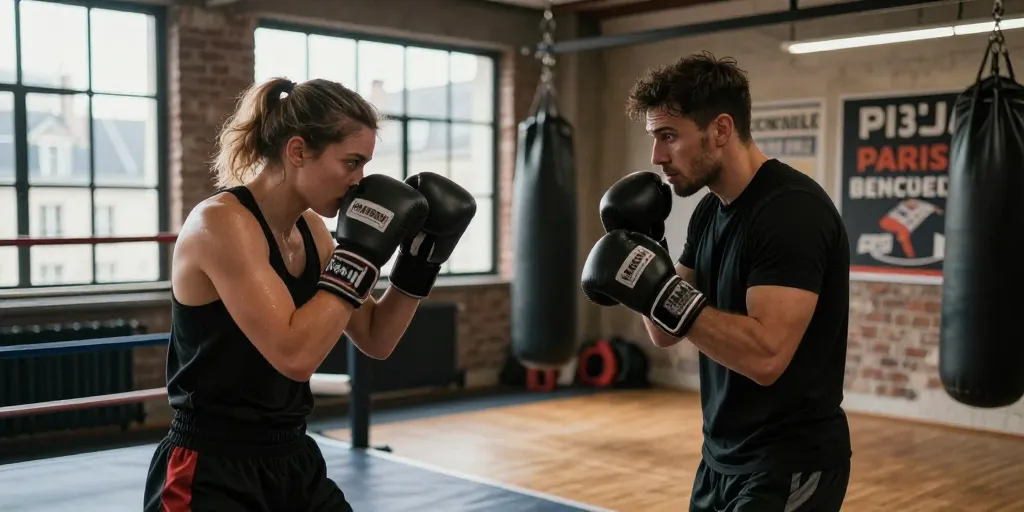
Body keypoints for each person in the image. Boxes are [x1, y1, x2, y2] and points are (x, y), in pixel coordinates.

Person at [143, 77, 477, 512]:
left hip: (292, 458)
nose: (359, 182)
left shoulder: (312, 231)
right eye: (351, 163)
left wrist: (420, 263)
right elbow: (294, 355)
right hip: (212, 467)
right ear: (298, 151)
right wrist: (359, 254)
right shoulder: (220, 224)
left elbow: (376, 337)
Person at [581, 52, 852, 511]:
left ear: (721, 130)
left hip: (789, 462)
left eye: (669, 136)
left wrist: (659, 287)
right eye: (653, 138)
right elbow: (664, 330)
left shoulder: (791, 213)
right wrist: (649, 249)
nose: (656, 156)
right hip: (720, 459)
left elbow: (767, 357)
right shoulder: (709, 212)